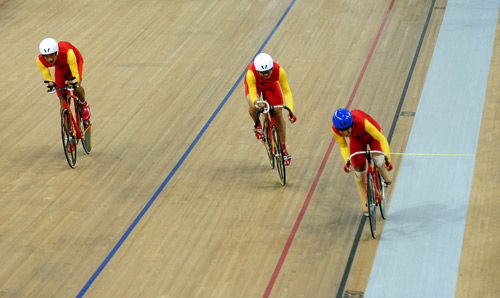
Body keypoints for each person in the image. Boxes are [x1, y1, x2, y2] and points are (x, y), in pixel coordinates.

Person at [331, 108, 393, 216]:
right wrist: (347, 162)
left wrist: (388, 159)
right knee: (359, 172)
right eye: (342, 130)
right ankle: (365, 201)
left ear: (352, 124)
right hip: (357, 139)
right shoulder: (335, 130)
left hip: (372, 135)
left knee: (378, 161)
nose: (345, 132)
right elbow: (343, 146)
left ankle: (386, 178)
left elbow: (381, 138)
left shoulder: (361, 122)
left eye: (347, 129)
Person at [36, 38, 90, 151]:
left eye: (52, 55)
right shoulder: (40, 60)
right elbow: (48, 77)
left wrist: (74, 81)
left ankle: (84, 104)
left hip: (75, 62)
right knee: (63, 102)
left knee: (76, 87)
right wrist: (51, 83)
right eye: (47, 56)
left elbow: (75, 73)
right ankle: (70, 135)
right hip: (61, 68)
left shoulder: (68, 53)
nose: (50, 59)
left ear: (56, 52)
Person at [244, 53, 297, 166]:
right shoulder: (251, 73)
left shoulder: (279, 71)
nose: (266, 75)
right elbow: (252, 92)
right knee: (254, 105)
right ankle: (257, 123)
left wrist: (290, 111)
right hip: (255, 85)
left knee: (278, 112)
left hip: (271, 85)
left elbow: (287, 92)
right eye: (263, 74)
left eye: (269, 72)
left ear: (272, 68)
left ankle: (283, 148)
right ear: (258, 71)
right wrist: (256, 101)